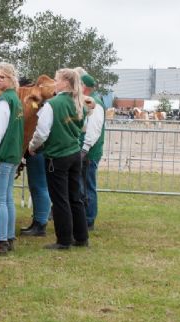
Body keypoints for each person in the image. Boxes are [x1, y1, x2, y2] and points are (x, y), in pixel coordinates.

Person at [28, 68, 89, 250]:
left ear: (65, 83)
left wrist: (32, 146)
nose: (55, 83)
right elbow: (83, 128)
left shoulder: (52, 104)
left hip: (57, 156)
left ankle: (63, 239)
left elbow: (42, 133)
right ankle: (81, 237)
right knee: (74, 197)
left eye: (57, 80)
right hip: (74, 154)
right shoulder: (79, 103)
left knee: (60, 199)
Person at [0, 62, 24, 254]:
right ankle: (9, 237)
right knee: (8, 198)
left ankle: (1, 241)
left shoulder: (4, 101)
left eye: (2, 76)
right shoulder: (16, 100)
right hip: (13, 155)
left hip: (3, 155)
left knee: (0, 200)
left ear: (11, 79)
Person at [76, 68, 105, 231]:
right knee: (83, 184)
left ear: (84, 86)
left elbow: (93, 130)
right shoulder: (90, 101)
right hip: (86, 151)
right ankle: (85, 217)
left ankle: (88, 219)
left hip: (89, 152)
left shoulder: (95, 104)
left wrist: (85, 149)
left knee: (87, 185)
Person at [19, 151, 51, 237]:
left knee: (40, 187)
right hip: (36, 152)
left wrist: (31, 147)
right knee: (36, 187)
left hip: (38, 151)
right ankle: (37, 222)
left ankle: (41, 224)